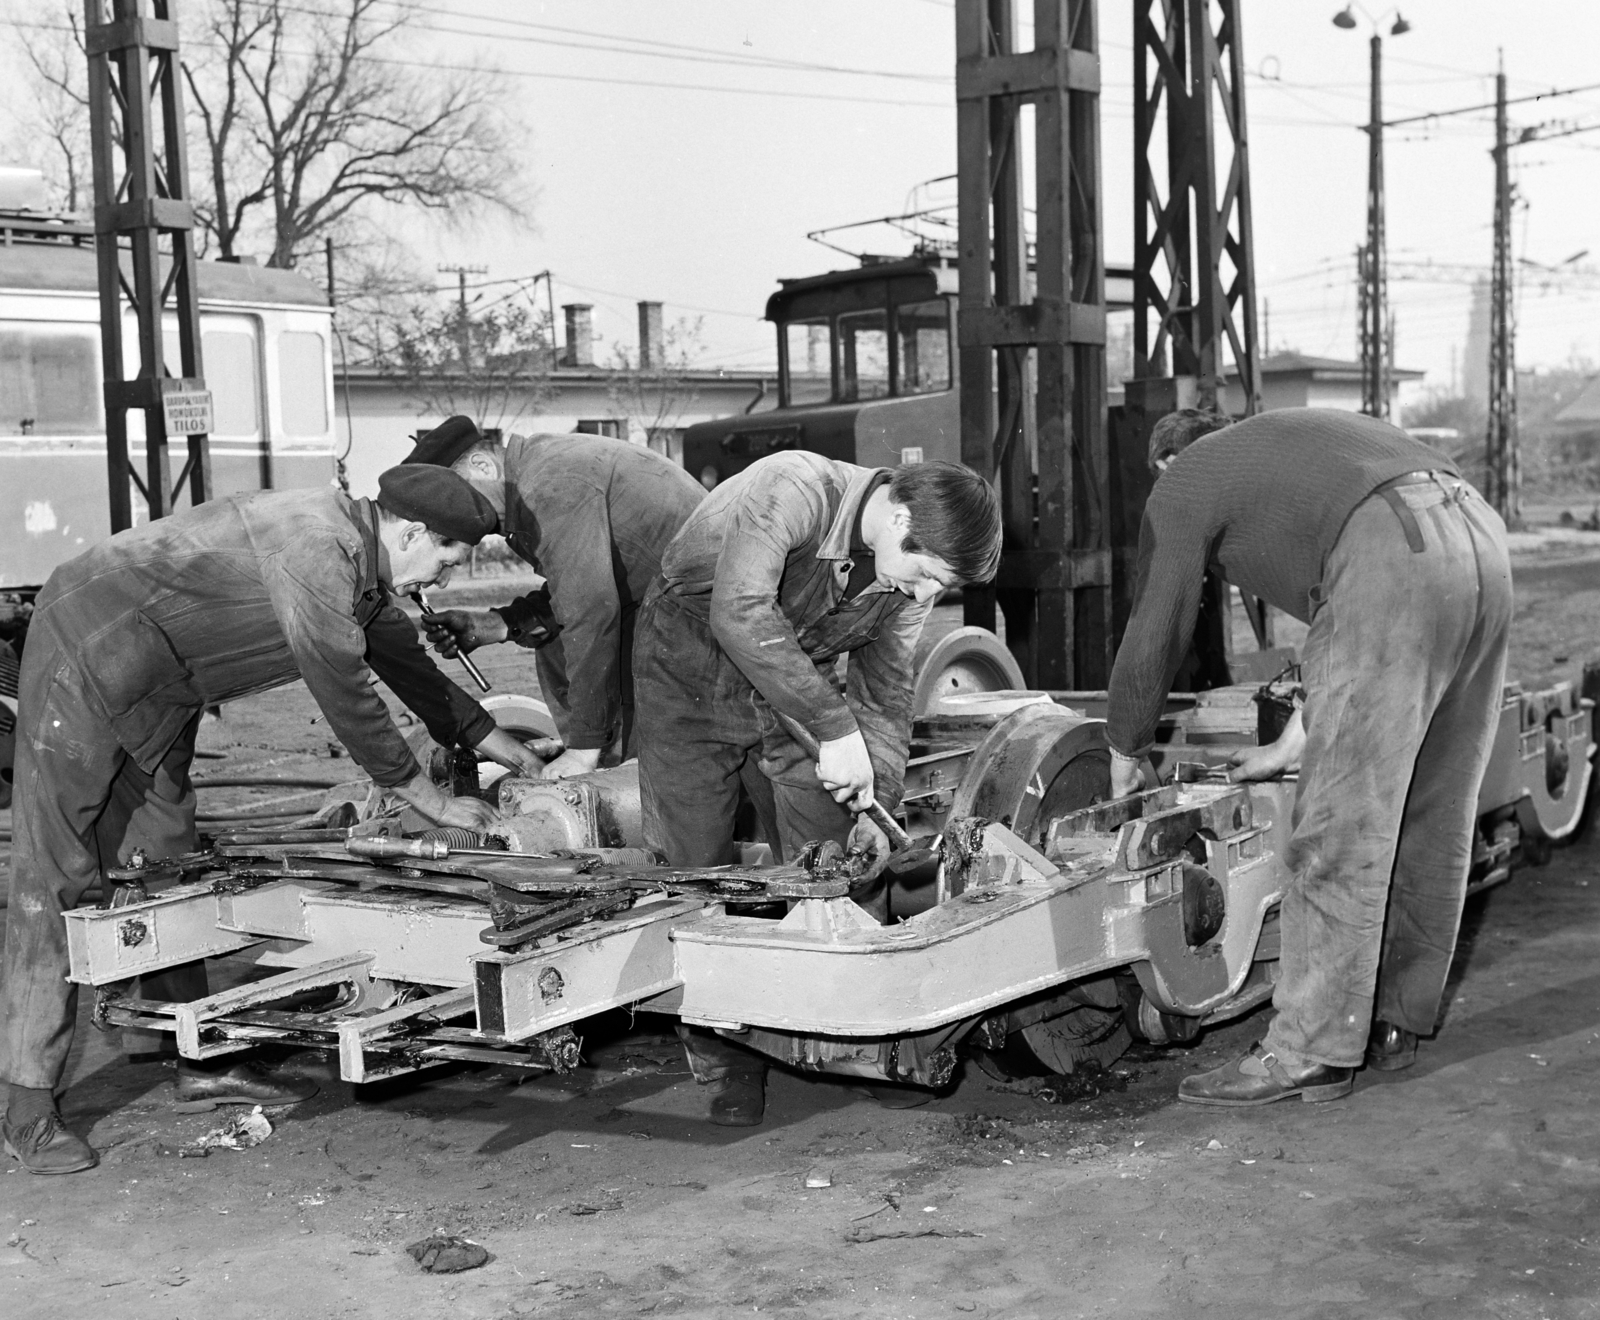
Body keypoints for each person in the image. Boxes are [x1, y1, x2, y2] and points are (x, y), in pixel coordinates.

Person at [1, 466, 537, 1175]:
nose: (440, 571)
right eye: (445, 555)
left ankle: (181, 1053)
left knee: (162, 859)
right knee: (56, 870)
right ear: (410, 532)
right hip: (86, 651)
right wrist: (425, 798)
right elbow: (341, 683)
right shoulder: (317, 550)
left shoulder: (363, 564)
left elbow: (402, 661)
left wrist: (500, 745)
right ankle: (26, 1104)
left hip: (161, 685)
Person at [1106, 407, 1511, 1107]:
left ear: (1170, 464)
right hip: (1477, 537)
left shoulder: (1186, 478)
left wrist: (1126, 743)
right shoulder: (1300, 447)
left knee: (1341, 823)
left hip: (1391, 551)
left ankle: (1309, 1050)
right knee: (1435, 805)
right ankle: (1394, 1020)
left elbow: (1158, 620)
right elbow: (1350, 629)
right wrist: (1294, 742)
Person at [634, 452, 1003, 1125]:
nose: (924, 595)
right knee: (693, 874)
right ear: (898, 517)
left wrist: (878, 803)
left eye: (941, 587)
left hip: (788, 695)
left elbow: (886, 692)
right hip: (684, 681)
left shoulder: (903, 582)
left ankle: (830, 1037)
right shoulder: (795, 487)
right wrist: (834, 730)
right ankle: (726, 1065)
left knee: (828, 863)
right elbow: (740, 611)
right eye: (926, 574)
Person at [408, 417, 706, 777]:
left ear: (483, 467)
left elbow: (590, 612)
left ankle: (615, 770)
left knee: (577, 646)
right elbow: (579, 587)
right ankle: (615, 766)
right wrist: (496, 624)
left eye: (451, 500)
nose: (451, 517)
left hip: (699, 612)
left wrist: (583, 750)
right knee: (557, 643)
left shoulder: (548, 485)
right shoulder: (534, 475)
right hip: (665, 602)